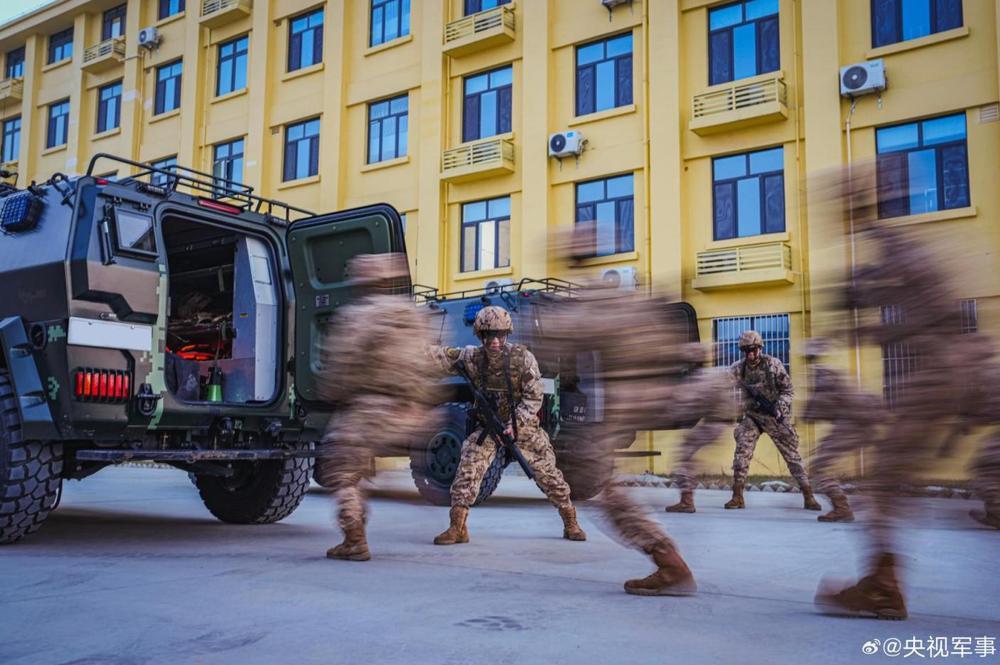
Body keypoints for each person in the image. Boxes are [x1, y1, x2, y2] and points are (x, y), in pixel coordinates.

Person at [317, 253, 441, 561]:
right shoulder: (412, 314)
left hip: (368, 407)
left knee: (341, 470)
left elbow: (341, 365)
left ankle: (354, 540)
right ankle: (380, 486)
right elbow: (429, 362)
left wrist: (331, 393)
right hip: (408, 409)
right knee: (362, 463)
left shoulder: (356, 316)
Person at [429, 305, 587, 546]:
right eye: (489, 335)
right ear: (481, 335)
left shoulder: (522, 359)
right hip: (488, 428)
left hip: (522, 427)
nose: (495, 341)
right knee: (467, 469)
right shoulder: (472, 357)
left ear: (507, 334)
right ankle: (457, 527)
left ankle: (570, 521)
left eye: (500, 335)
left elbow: (534, 397)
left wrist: (516, 424)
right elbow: (439, 356)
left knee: (548, 475)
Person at [723, 330, 822, 511]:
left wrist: (779, 408)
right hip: (752, 417)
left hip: (774, 416)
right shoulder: (738, 368)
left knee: (792, 456)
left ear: (760, 348)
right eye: (746, 351)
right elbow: (722, 385)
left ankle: (809, 496)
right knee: (741, 453)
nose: (750, 354)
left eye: (753, 350)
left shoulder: (773, 365)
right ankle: (737, 496)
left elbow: (788, 390)